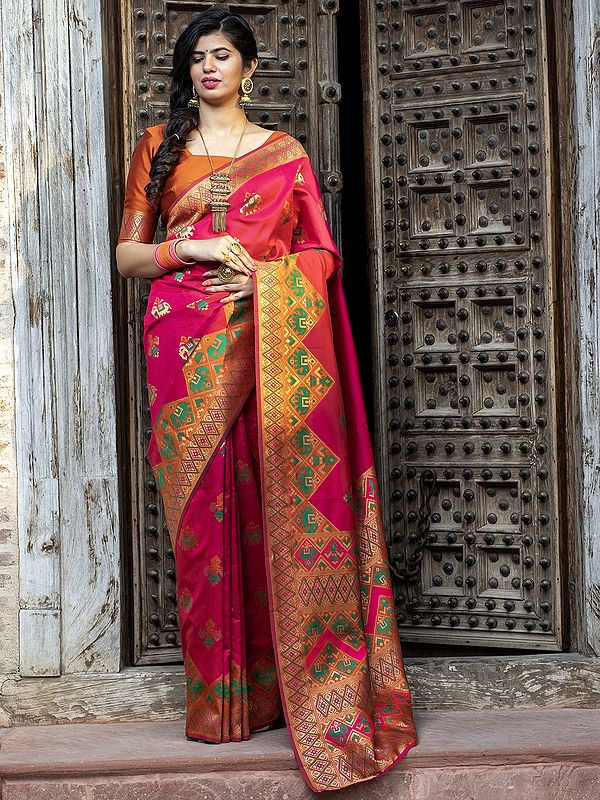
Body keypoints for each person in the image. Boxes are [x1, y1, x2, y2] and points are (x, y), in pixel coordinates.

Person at [116, 5, 417, 792]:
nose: (207, 68)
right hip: (182, 347)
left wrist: (264, 276)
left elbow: (318, 252)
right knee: (201, 517)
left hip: (270, 339)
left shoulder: (284, 154)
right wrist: (194, 246)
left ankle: (286, 692)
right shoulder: (159, 147)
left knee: (270, 501)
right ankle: (217, 704)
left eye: (221, 55)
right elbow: (128, 254)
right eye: (196, 58)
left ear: (250, 69)